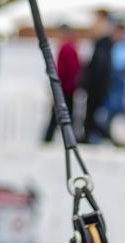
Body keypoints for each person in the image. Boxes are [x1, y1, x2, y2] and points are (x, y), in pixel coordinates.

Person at [78, 10, 114, 143]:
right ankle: (89, 136)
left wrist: (87, 82)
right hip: (97, 87)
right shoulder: (101, 46)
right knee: (91, 116)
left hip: (96, 88)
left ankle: (104, 137)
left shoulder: (102, 46)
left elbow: (99, 69)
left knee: (92, 116)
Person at [43, 25, 80, 143]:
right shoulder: (71, 48)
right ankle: (67, 139)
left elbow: (64, 71)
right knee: (64, 115)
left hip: (64, 89)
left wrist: (56, 88)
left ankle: (49, 139)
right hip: (67, 88)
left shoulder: (66, 48)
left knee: (59, 115)